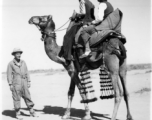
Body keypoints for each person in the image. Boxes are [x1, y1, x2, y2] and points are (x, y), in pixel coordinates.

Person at [61, 0, 95, 65]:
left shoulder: (82, 1)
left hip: (86, 23)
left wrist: (75, 15)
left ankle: (69, 57)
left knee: (69, 36)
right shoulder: (90, 2)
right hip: (91, 22)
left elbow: (83, 13)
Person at [7, 48, 37, 119]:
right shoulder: (11, 64)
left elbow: (27, 72)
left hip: (24, 82)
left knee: (27, 97)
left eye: (20, 53)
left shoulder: (23, 62)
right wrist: (10, 84)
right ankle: (18, 113)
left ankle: (32, 111)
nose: (19, 55)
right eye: (17, 53)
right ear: (14, 55)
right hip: (16, 83)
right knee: (16, 98)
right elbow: (9, 75)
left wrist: (29, 81)